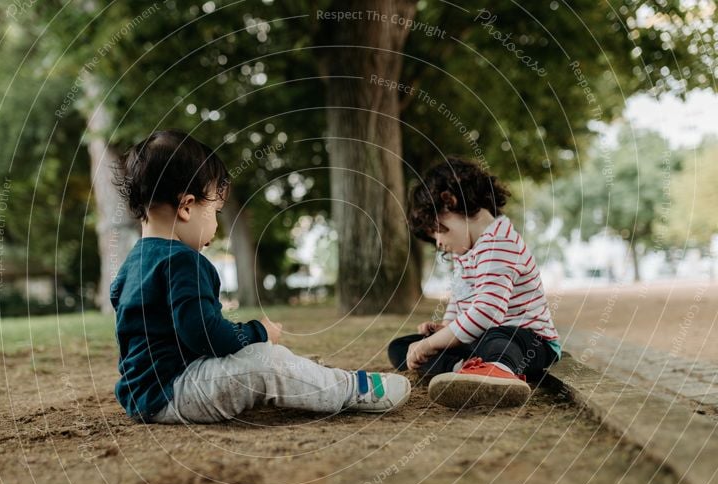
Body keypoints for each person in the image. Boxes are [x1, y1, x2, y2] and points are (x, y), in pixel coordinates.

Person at [110, 129, 411, 424]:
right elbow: (204, 333)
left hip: (141, 396)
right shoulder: (183, 261)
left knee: (260, 356)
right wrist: (259, 332)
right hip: (175, 391)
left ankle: (307, 376)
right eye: (215, 210)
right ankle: (351, 389)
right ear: (187, 207)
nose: (216, 224)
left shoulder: (133, 264)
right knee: (266, 363)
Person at [388, 157, 561, 409]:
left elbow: (488, 314)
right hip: (480, 340)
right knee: (401, 348)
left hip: (529, 342)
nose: (437, 242)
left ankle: (498, 371)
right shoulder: (465, 252)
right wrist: (443, 329)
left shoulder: (499, 243)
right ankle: (466, 370)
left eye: (436, 230)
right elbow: (459, 299)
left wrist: (432, 343)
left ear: (450, 201)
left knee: (498, 336)